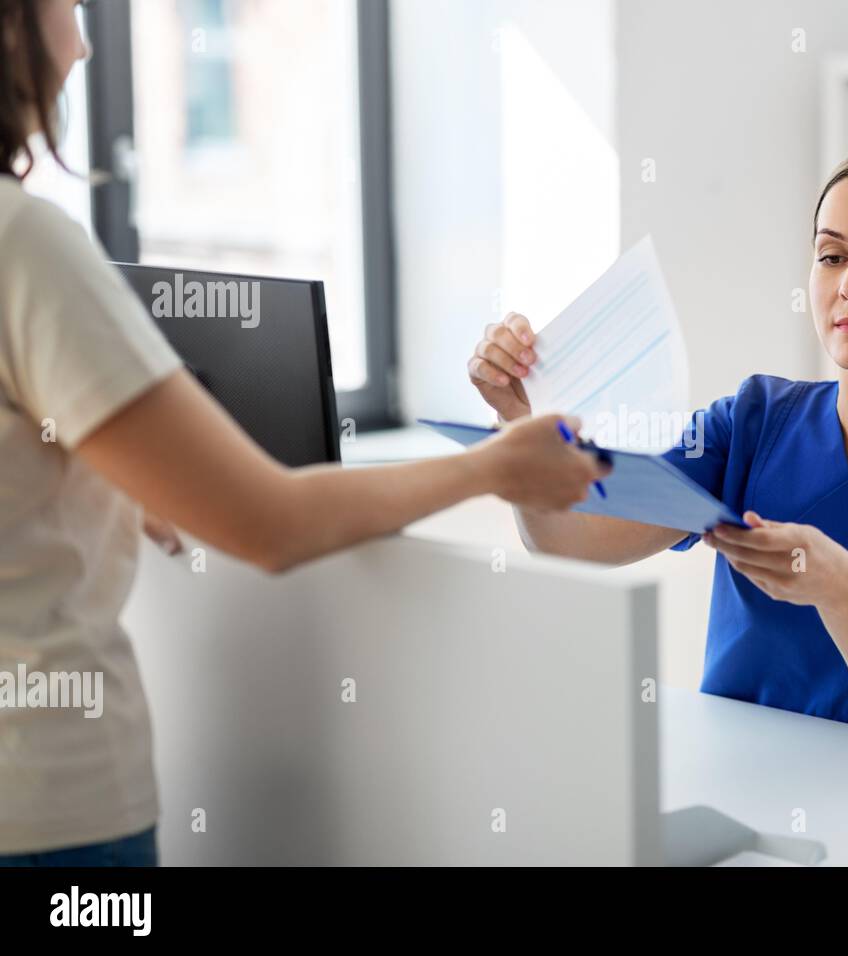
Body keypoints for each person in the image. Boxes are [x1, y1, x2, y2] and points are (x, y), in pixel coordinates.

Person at [0, 0, 609, 865]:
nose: (86, 39)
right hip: (52, 820)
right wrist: (495, 468)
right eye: (66, 6)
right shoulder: (27, 248)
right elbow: (270, 526)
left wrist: (123, 480)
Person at [469, 138, 848, 761]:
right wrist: (524, 425)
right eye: (831, 255)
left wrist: (839, 586)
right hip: (742, 791)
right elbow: (572, 540)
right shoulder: (754, 422)